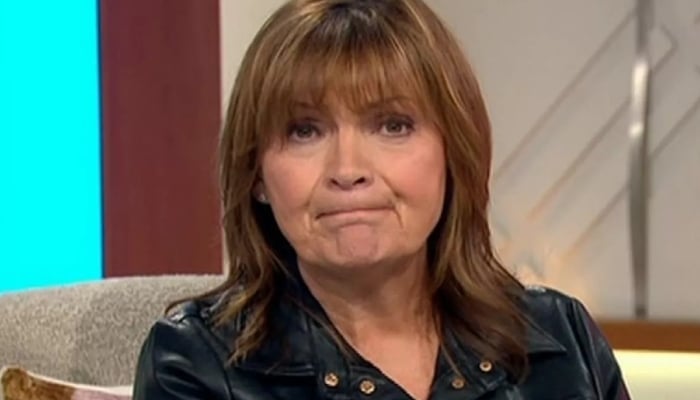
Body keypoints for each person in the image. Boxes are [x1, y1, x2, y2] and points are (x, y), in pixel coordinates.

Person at [132, 0, 630, 399]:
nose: (348, 170)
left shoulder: (559, 339)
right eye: (305, 131)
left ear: (452, 152)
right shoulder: (194, 364)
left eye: (393, 125)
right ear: (256, 174)